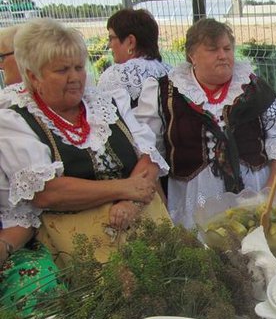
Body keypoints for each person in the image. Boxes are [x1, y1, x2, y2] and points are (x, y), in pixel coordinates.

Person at [0, 18, 170, 267]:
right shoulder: (16, 120)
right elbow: (45, 192)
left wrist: (129, 203)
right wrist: (123, 188)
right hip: (80, 252)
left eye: (79, 67)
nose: (75, 77)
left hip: (145, 228)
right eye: (62, 70)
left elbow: (149, 157)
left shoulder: (108, 103)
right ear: (33, 76)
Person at [135, 18, 276, 228]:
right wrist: (164, 216)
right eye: (213, 49)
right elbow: (149, 157)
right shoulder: (163, 94)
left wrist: (267, 198)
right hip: (193, 206)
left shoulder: (254, 88)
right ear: (192, 55)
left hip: (254, 199)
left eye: (227, 48)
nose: (223, 55)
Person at [0, 25, 64, 314]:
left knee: (36, 282)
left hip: (17, 249)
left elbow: (26, 210)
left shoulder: (12, 118)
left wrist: (4, 247)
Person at [97, 9, 171, 106]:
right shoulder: (170, 70)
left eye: (111, 38)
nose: (109, 45)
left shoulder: (116, 76)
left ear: (131, 42)